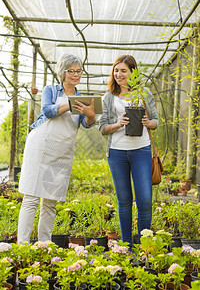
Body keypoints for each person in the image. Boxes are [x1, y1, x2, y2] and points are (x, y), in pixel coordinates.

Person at [17, 54, 95, 244]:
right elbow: (47, 111)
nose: (75, 75)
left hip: (62, 151)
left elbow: (86, 123)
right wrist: (69, 104)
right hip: (41, 146)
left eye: (78, 71)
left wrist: (91, 115)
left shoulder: (82, 98)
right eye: (71, 71)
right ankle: (22, 247)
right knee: (31, 198)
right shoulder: (51, 90)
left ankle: (45, 246)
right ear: (63, 72)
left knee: (50, 201)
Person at [99, 55, 158, 250]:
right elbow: (102, 128)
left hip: (141, 150)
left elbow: (156, 121)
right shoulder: (109, 97)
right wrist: (118, 124)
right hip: (117, 153)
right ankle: (126, 247)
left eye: (123, 70)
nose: (118, 74)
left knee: (145, 200)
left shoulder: (144, 93)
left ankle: (144, 247)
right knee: (124, 200)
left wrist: (148, 123)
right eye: (116, 70)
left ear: (133, 72)